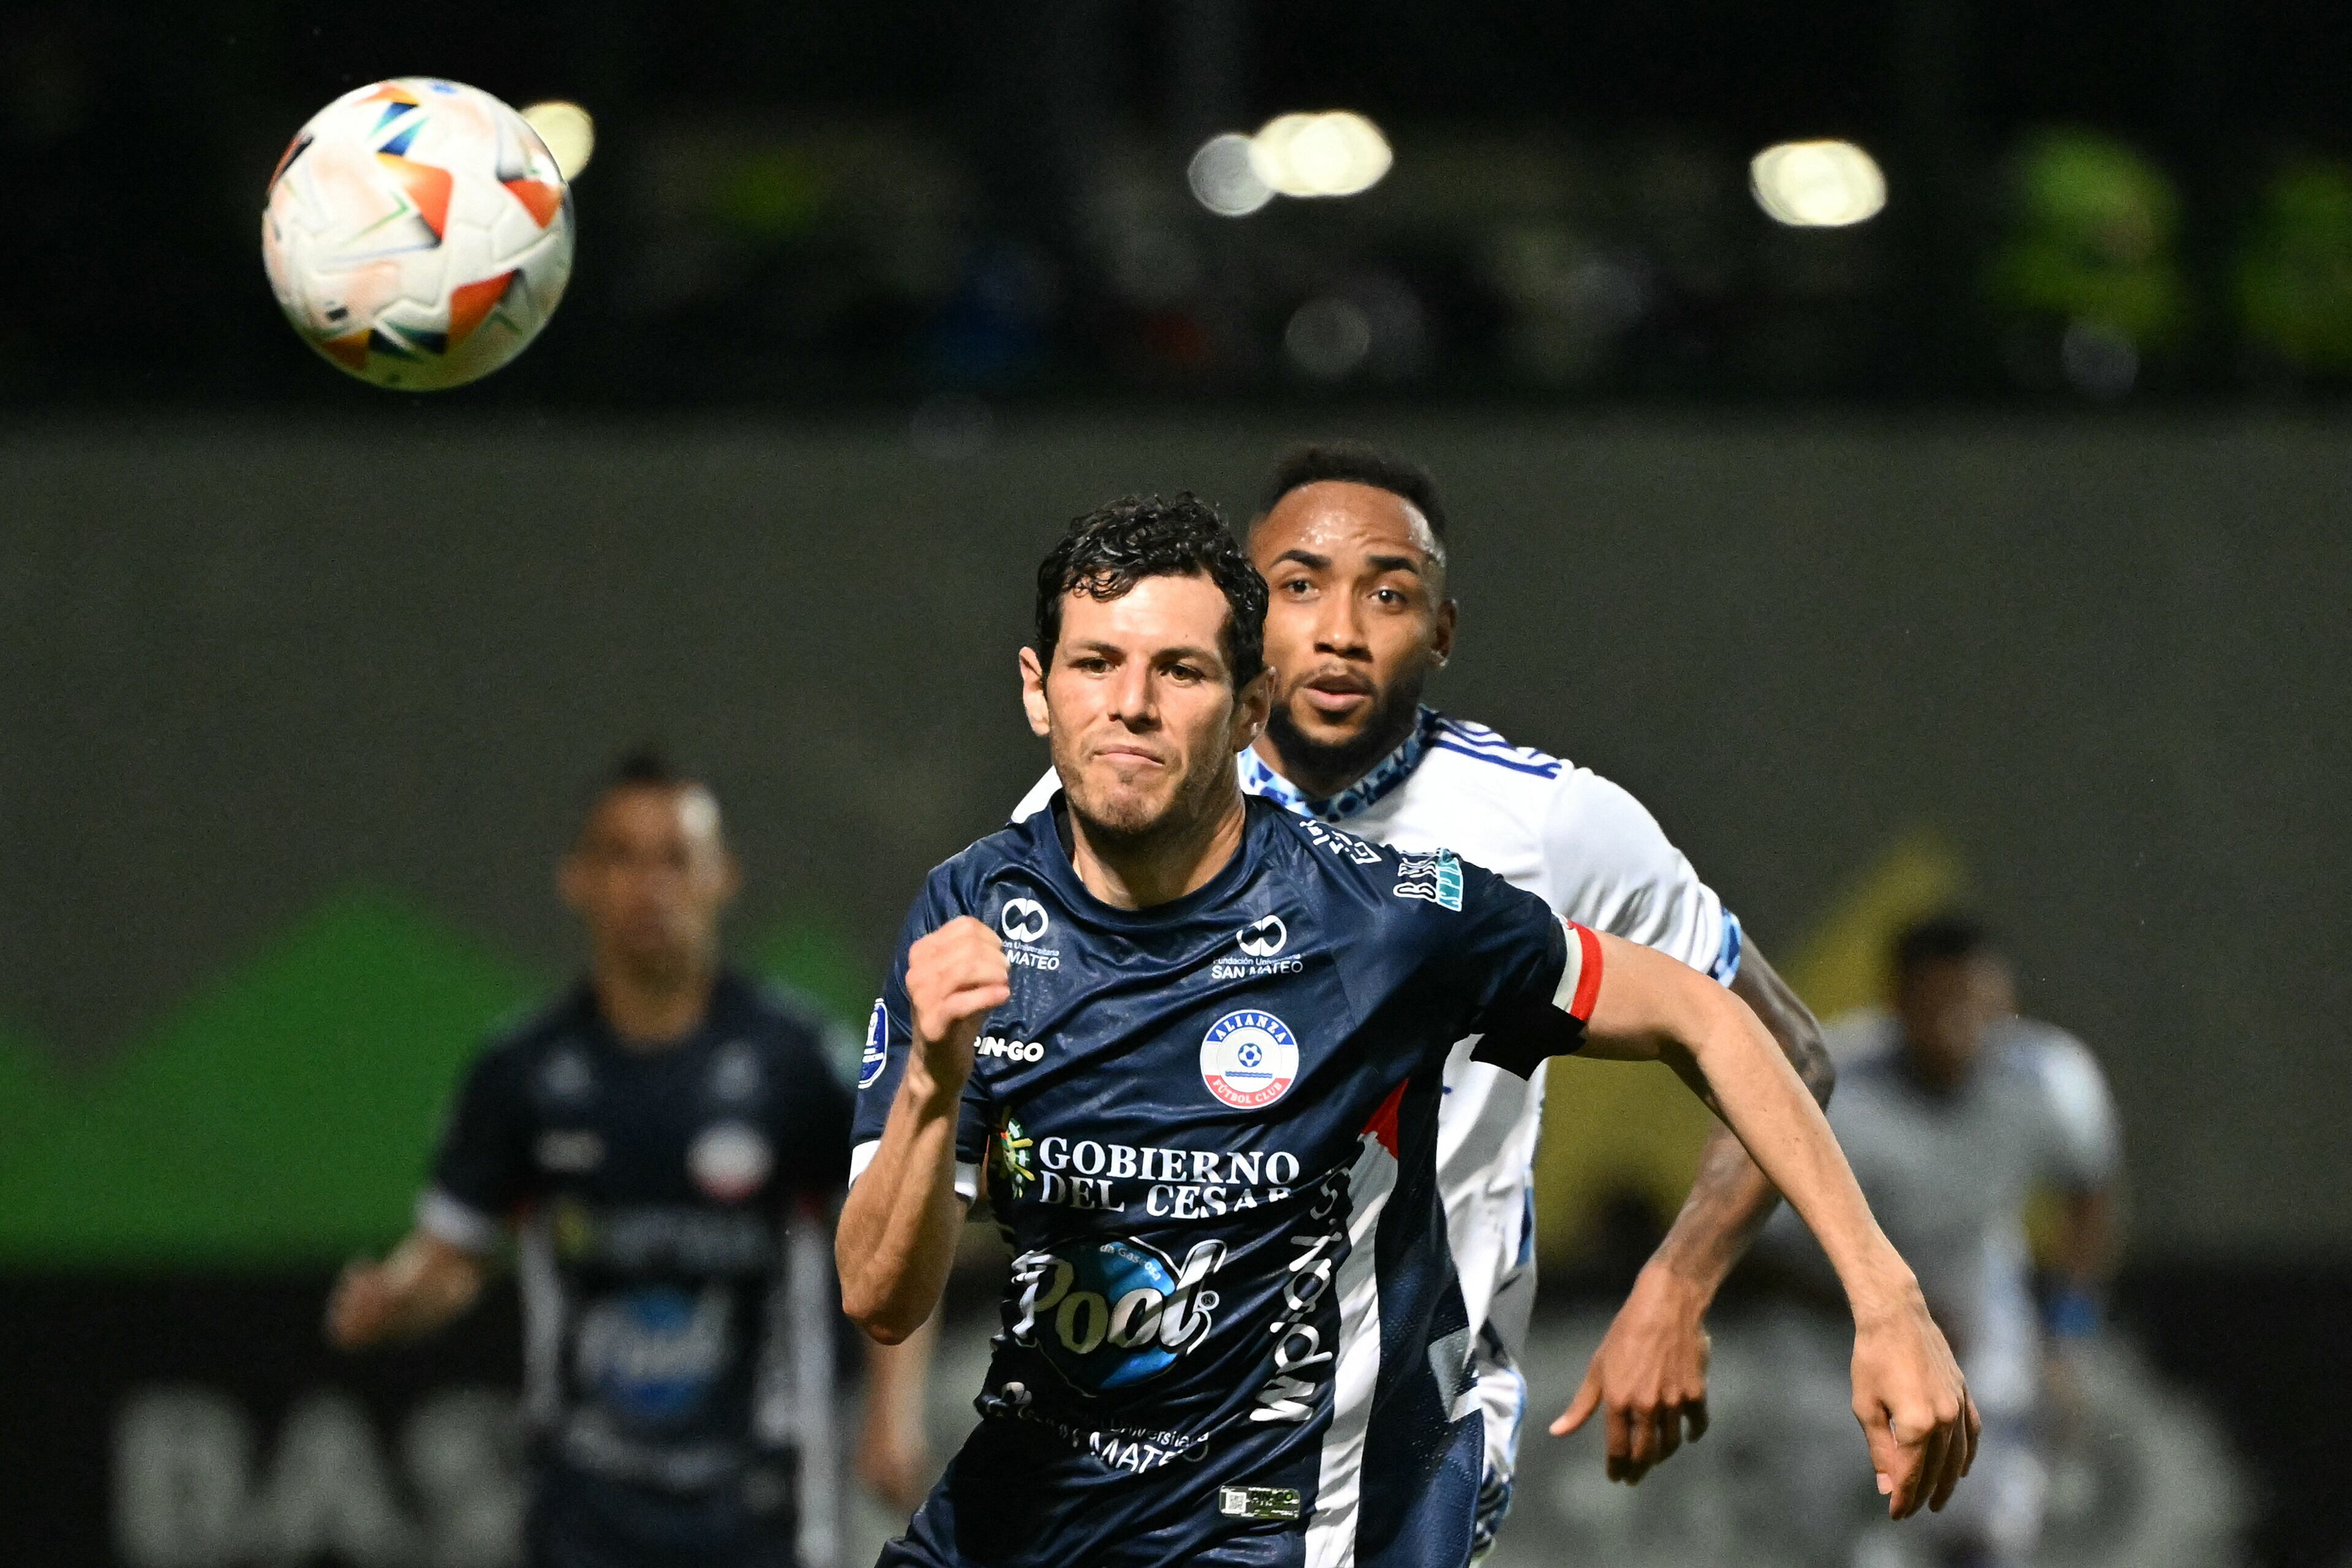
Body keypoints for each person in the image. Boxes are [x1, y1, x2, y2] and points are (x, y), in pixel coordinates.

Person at [841, 496, 1974, 1568]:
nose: (1130, 705)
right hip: (1021, 1509)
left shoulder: (1386, 919)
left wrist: (1889, 1301)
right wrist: (935, 1090)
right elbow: (877, 1298)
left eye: (1178, 670)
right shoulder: (972, 909)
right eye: (1097, 664)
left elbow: (1704, 1012)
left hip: (1275, 1529)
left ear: (1247, 711)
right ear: (1041, 691)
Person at [1007, 441, 1832, 1544]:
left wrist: (1677, 1285)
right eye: (1300, 587)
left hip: (1413, 1417)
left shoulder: (1550, 828)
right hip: (1146, 1409)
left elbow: (1787, 1050)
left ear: (1441, 630)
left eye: (1388, 593)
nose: (1342, 629)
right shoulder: (1108, 797)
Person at [327, 751, 935, 1568]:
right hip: (583, 1519)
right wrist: (397, 1296)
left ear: (723, 878)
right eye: (621, 857)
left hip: (762, 1518)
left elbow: (894, 1233)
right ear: (577, 880)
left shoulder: (795, 1064)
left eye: (677, 859)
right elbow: (452, 1259)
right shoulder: (523, 1074)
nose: (650, 887)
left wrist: (892, 1417)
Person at [1745, 914, 2122, 1568]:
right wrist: (1887, 1314)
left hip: (1972, 1299)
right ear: (1896, 1003)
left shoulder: (2048, 1077)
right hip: (1832, 1324)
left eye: (1976, 1005)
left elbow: (2089, 1192)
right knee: (1835, 1541)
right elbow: (1754, 1239)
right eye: (1937, 1004)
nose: (1958, 1024)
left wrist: (2064, 1333)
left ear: (2005, 1004)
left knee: (1983, 1533)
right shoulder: (1824, 1083)